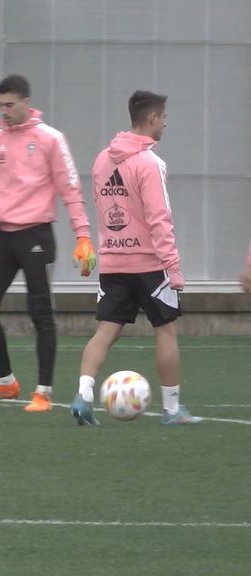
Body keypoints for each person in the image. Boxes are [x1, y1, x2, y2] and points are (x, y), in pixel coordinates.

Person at [0, 74, 96, 412]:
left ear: (26, 102)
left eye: (9, 105)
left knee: (41, 313)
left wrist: (83, 236)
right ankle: (5, 382)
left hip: (37, 235)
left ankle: (44, 392)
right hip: (3, 236)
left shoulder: (51, 140)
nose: (4, 112)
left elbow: (70, 189)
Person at [69, 90, 201, 426]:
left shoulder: (102, 159)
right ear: (153, 118)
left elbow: (103, 209)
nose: (166, 125)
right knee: (166, 331)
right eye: (165, 118)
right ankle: (172, 410)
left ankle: (83, 395)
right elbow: (160, 219)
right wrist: (174, 268)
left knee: (105, 332)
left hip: (113, 261)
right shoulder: (150, 163)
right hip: (150, 264)